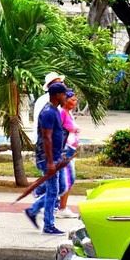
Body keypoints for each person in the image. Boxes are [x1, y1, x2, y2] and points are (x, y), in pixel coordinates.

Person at [25, 82, 68, 234]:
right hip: (47, 158)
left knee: (60, 188)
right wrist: (50, 162)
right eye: (64, 94)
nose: (66, 97)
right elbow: (46, 138)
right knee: (53, 191)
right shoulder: (48, 112)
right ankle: (48, 225)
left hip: (55, 156)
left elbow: (57, 135)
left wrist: (61, 154)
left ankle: (33, 210)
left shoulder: (55, 110)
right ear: (57, 95)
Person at [56, 90, 81, 219]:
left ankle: (61, 207)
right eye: (73, 99)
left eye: (76, 100)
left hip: (70, 150)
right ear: (65, 100)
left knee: (68, 179)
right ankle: (59, 207)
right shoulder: (61, 113)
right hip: (64, 151)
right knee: (67, 179)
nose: (75, 102)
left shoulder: (68, 113)